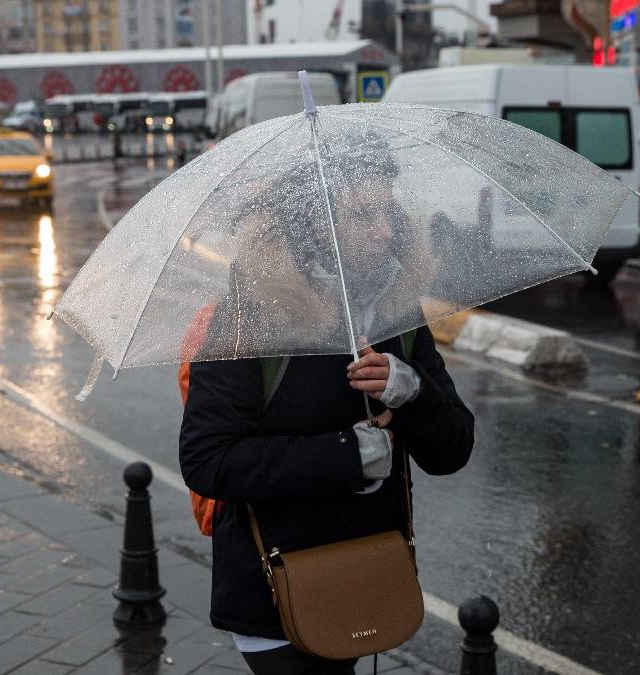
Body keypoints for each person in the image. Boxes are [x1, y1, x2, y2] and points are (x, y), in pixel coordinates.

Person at [179, 154, 474, 674]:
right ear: (311, 222)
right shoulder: (250, 317)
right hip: (275, 589)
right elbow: (208, 460)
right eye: (363, 214)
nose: (385, 231)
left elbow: (453, 450)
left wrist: (410, 392)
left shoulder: (397, 311)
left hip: (365, 573)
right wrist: (349, 454)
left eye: (389, 212)